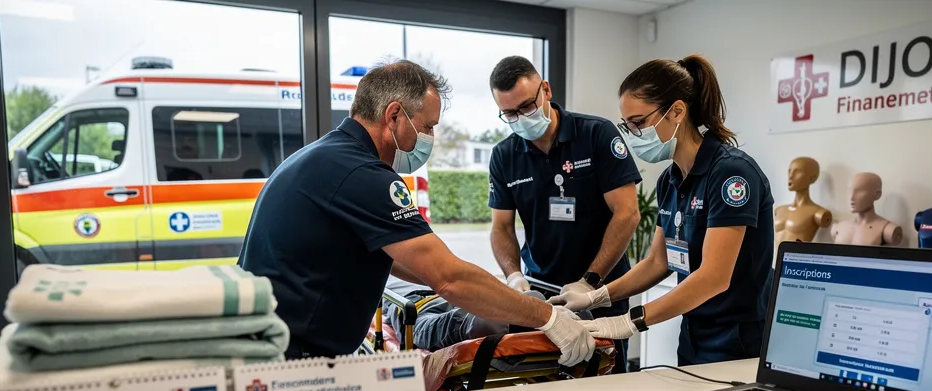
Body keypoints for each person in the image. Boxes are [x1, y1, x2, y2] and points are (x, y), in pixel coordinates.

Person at [238, 60, 594, 366]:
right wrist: (548, 317)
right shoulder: (362, 175)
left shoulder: (321, 157)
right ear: (394, 115)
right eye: (427, 126)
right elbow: (449, 278)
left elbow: (401, 260)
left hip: (272, 342)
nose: (430, 136)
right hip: (294, 357)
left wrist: (478, 288)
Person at [553, 56, 774, 365]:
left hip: (738, 335)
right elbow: (659, 260)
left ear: (677, 112)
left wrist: (631, 321)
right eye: (626, 125)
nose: (631, 134)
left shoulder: (732, 174)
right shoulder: (669, 181)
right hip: (694, 329)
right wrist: (595, 296)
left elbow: (714, 277)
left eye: (638, 123)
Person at [487, 56, 642, 372]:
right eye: (510, 113)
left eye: (527, 106)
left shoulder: (596, 135)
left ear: (546, 90)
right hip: (541, 294)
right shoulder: (504, 155)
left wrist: (590, 281)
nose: (521, 118)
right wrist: (514, 277)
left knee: (608, 380)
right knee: (543, 377)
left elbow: (627, 214)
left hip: (601, 291)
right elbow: (501, 227)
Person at [381, 277, 594, 351]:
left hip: (420, 303)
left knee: (425, 330)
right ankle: (528, 309)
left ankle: (481, 321)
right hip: (459, 296)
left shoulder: (386, 276)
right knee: (445, 320)